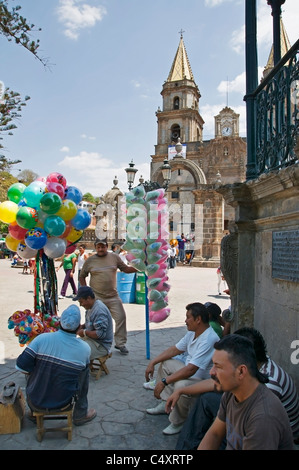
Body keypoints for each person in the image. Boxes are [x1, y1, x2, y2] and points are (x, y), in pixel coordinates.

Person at [173, 326, 299, 449]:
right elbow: (215, 433)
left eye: (218, 366)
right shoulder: (235, 388)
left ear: (242, 369)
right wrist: (181, 390)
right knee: (207, 399)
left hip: (267, 433)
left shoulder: (264, 414)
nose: (211, 372)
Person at [145, 302, 219, 435]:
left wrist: (164, 381)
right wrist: (153, 362)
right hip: (189, 370)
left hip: (201, 379)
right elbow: (175, 349)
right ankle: (165, 402)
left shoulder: (209, 338)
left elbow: (191, 370)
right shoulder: (193, 332)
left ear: (198, 320)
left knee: (180, 384)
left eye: (188, 317)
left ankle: (178, 421)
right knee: (166, 363)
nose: (185, 321)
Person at [15, 305, 97, 426]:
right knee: (83, 373)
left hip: (35, 402)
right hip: (64, 402)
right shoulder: (84, 348)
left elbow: (21, 367)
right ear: (79, 327)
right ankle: (80, 414)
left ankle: (33, 413)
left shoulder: (41, 339)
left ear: (59, 323)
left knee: (31, 367)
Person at [78, 238, 138, 355]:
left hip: (113, 296)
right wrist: (86, 291)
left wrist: (140, 267)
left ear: (106, 246)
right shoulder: (90, 260)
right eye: (98, 247)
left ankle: (120, 343)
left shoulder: (114, 257)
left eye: (103, 247)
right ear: (96, 248)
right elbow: (82, 276)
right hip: (96, 298)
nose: (100, 249)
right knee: (93, 320)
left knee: (121, 317)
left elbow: (125, 269)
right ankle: (93, 342)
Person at [73, 286, 113, 360]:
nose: (81, 305)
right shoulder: (91, 307)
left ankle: (81, 370)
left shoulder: (99, 310)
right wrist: (83, 326)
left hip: (101, 346)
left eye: (81, 301)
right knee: (71, 345)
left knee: (76, 352)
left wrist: (85, 332)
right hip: (92, 341)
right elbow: (91, 322)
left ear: (88, 298)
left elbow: (100, 334)